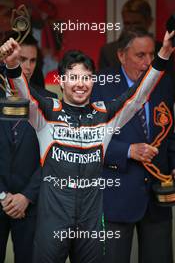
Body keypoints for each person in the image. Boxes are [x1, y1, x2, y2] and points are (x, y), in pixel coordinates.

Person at [1, 30, 174, 263]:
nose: (80, 84)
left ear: (94, 80)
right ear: (61, 82)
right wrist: (12, 66)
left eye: (86, 77)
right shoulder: (45, 111)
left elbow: (139, 94)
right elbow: (23, 94)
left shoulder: (106, 114)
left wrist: (163, 54)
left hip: (91, 222)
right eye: (73, 78)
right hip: (53, 221)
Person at [91, 27, 175, 263]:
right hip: (117, 195)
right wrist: (128, 151)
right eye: (140, 56)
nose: (148, 62)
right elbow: (89, 139)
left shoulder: (164, 83)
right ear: (121, 55)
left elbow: (170, 133)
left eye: (152, 54)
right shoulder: (100, 85)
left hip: (158, 197)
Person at [0, 34, 56, 263]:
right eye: (22, 59)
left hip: (31, 206)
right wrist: (3, 195)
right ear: (7, 58)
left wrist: (26, 196)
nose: (28, 66)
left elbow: (51, 155)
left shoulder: (49, 101)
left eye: (33, 61)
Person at [98, 0, 159, 70]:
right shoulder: (108, 52)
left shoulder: (163, 51)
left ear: (149, 22)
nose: (131, 28)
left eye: (136, 23)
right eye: (127, 23)